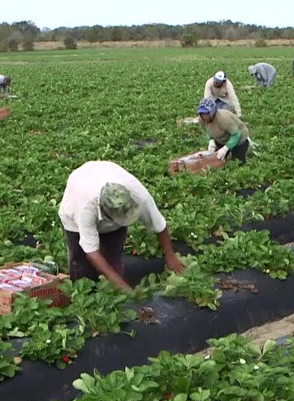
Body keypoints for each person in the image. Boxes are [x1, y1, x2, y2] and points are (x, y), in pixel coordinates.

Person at [58, 161, 185, 292]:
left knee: (113, 257)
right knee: (82, 266)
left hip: (104, 172)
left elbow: (160, 225)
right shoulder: (86, 209)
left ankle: (114, 297)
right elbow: (92, 253)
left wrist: (170, 255)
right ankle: (85, 298)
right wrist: (122, 286)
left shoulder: (139, 196)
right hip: (75, 210)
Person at [197, 97, 250, 164]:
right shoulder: (202, 120)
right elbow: (208, 130)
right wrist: (211, 141)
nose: (204, 116)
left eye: (207, 113)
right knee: (215, 160)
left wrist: (225, 148)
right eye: (202, 113)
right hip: (221, 139)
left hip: (238, 139)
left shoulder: (224, 119)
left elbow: (237, 134)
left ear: (212, 111)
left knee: (237, 163)